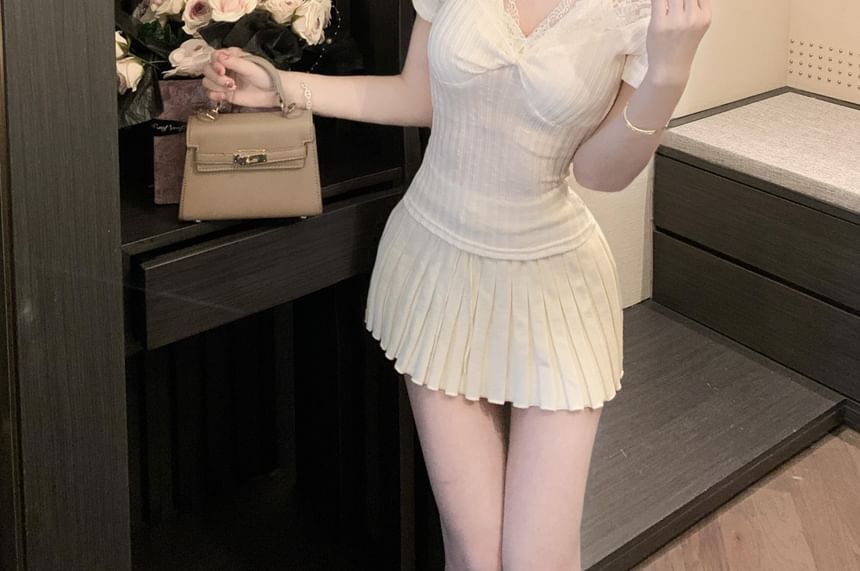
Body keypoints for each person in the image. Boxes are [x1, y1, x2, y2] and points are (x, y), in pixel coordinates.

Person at [202, 0, 710, 568]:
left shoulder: (647, 9)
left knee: (538, 558)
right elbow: (418, 96)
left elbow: (598, 173)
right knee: (472, 552)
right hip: (436, 269)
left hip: (555, 289)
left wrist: (667, 77)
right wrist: (279, 87)